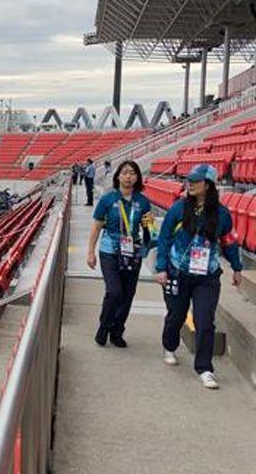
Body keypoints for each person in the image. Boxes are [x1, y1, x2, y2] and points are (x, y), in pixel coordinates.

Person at [155, 164, 244, 388]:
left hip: (207, 275)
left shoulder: (222, 214)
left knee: (205, 320)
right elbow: (165, 237)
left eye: (195, 181)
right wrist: (161, 267)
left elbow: (229, 242)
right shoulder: (179, 208)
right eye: (189, 181)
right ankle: (170, 345)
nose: (190, 184)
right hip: (178, 271)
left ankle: (204, 368)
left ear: (209, 185)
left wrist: (237, 267)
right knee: (176, 315)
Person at [87, 160, 154, 347]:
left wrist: (148, 236)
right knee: (114, 292)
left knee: (127, 295)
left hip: (133, 253)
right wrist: (90, 252)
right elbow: (96, 227)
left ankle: (117, 331)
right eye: (124, 172)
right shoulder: (108, 200)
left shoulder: (143, 202)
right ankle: (104, 326)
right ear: (117, 176)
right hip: (110, 250)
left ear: (138, 177)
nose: (128, 176)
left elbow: (148, 230)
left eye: (132, 173)